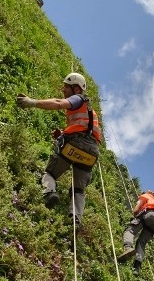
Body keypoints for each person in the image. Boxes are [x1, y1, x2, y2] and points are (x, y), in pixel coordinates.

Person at [16, 72, 101, 224]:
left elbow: (59, 103)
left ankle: (49, 193)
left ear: (76, 89)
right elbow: (84, 129)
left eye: (66, 87)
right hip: (92, 153)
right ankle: (76, 218)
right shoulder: (90, 111)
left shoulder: (78, 98)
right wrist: (62, 133)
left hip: (76, 144)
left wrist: (32, 102)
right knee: (79, 189)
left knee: (50, 173)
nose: (63, 90)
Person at [117, 190, 154, 274]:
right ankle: (136, 268)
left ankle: (128, 248)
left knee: (130, 231)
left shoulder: (146, 195)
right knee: (141, 243)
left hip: (148, 214)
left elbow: (136, 209)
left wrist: (135, 215)